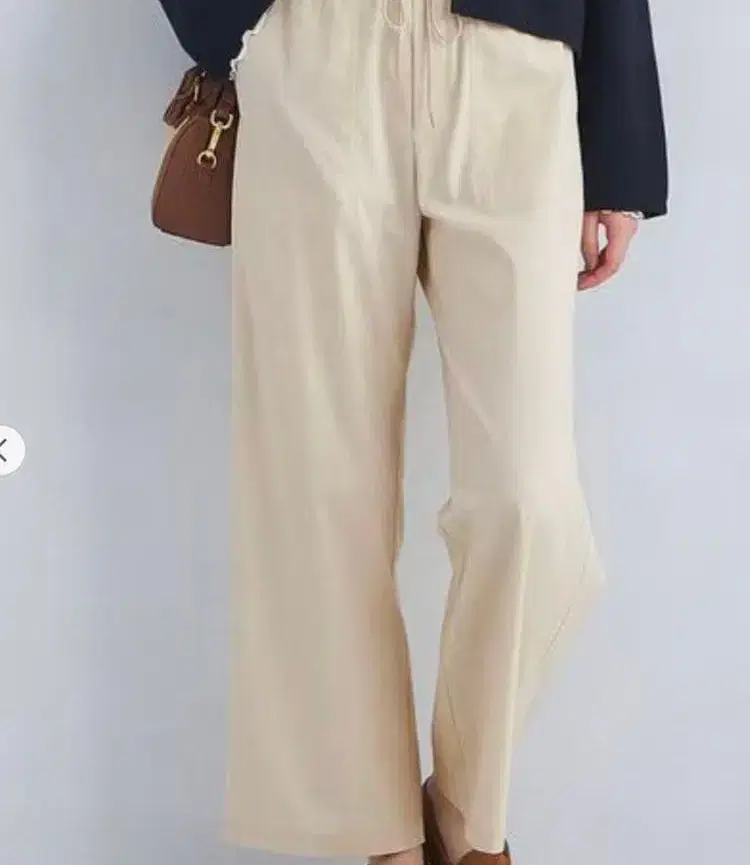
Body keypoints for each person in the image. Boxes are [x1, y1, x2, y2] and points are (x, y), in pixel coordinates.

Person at [156, 1, 668, 863]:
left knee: (529, 504)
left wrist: (619, 154)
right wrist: (246, 27)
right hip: (318, 57)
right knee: (318, 488)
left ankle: (465, 812)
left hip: (512, 73)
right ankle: (381, 837)